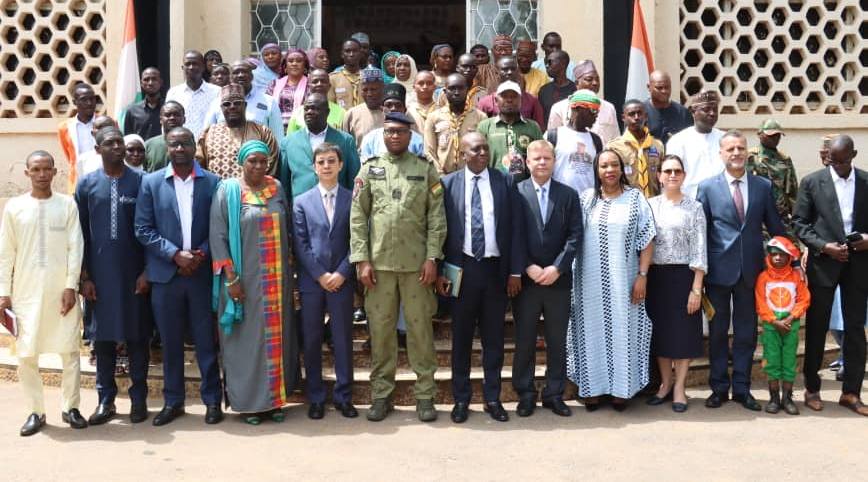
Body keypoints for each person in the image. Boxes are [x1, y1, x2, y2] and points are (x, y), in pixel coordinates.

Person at [349, 112, 446, 423]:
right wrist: (362, 259)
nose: (394, 137)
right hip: (378, 266)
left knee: (420, 332)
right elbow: (358, 217)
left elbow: (437, 219)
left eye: (400, 132)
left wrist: (433, 257)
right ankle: (381, 395)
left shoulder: (425, 170)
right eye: (389, 132)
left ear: (410, 136)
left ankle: (425, 397)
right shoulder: (369, 169)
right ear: (382, 135)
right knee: (380, 333)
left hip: (417, 266)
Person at [134, 127, 223, 426]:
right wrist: (174, 254)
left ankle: (213, 401)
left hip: (200, 274)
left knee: (205, 342)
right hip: (166, 275)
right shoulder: (151, 182)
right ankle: (173, 402)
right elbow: (143, 228)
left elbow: (218, 228)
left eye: (185, 143)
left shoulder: (213, 182)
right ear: (167, 148)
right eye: (174, 144)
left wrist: (200, 254)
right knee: (170, 344)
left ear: (195, 146)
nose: (180, 149)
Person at [696, 130, 787, 412]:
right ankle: (719, 388)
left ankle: (743, 389)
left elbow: (775, 227)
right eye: (730, 149)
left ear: (747, 151)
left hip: (751, 273)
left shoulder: (762, 186)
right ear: (721, 154)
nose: (736, 153)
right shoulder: (707, 187)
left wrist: (792, 256)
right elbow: (702, 231)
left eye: (740, 148)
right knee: (719, 332)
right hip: (718, 274)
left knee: (747, 333)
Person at [209, 140, 298, 425]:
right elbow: (218, 236)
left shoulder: (277, 188)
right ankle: (249, 404)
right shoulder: (229, 191)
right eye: (253, 161)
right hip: (243, 282)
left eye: (263, 161)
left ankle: (273, 401)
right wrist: (231, 279)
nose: (259, 166)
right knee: (245, 344)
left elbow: (288, 231)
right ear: (242, 162)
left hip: (276, 281)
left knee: (275, 343)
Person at [437, 133, 522, 423]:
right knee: (460, 340)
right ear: (462, 154)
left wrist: (514, 271)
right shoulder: (448, 184)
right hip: (461, 272)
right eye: (476, 149)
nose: (483, 153)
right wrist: (439, 271)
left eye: (485, 148)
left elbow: (514, 229)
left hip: (494, 272)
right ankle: (461, 400)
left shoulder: (505, 182)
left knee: (494, 341)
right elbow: (440, 231)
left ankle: (492, 398)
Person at [0, 150, 86, 436]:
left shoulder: (67, 205)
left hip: (61, 292)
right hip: (25, 293)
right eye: (35, 169)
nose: (41, 174)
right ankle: (35, 411)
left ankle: (71, 407)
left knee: (70, 350)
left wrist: (70, 286)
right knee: (26, 355)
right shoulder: (14, 207)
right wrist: (3, 293)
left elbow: (76, 247)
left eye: (46, 169)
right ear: (27, 173)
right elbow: (5, 254)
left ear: (54, 172)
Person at [568, 149, 656, 412]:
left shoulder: (635, 198)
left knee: (622, 330)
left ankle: (621, 390)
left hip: (625, 281)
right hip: (588, 283)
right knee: (590, 333)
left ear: (622, 169)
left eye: (614, 165)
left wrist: (642, 276)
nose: (609, 170)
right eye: (604, 165)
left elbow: (648, 238)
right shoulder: (586, 200)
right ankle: (591, 390)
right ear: (596, 170)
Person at [75, 126, 152, 425]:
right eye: (110, 143)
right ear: (98, 150)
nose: (118, 147)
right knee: (103, 340)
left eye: (120, 142)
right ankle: (106, 400)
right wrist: (84, 277)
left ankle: (138, 399)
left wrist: (147, 271)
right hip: (100, 276)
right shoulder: (86, 185)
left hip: (135, 275)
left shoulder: (142, 182)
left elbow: (150, 230)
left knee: (137, 338)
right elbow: (79, 234)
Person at [793, 134, 868, 416]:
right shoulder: (812, 182)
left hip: (859, 264)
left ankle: (851, 392)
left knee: (855, 328)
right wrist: (824, 246)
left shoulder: (865, 181)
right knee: (817, 326)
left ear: (854, 155)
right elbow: (799, 223)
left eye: (842, 161)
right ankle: (812, 388)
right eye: (832, 160)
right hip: (824, 263)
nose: (836, 165)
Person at [512, 140, 581, 417]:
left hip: (558, 282)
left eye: (547, 158)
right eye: (536, 158)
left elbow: (576, 236)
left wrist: (557, 267)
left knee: (557, 340)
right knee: (525, 339)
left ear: (554, 161)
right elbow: (511, 235)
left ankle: (554, 393)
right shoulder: (516, 193)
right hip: (527, 282)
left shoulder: (568, 195)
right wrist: (526, 266)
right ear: (527, 162)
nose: (542, 162)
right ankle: (526, 393)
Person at [292, 143, 358, 420]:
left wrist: (342, 272)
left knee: (342, 338)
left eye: (332, 161)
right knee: (312, 339)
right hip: (312, 281)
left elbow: (358, 240)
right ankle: (316, 397)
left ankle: (344, 396)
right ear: (314, 167)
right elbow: (300, 243)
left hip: (342, 279)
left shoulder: (352, 199)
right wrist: (320, 275)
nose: (327, 166)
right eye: (321, 162)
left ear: (341, 165)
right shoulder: (301, 201)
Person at [645, 154, 707, 413]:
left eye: (677, 171)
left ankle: (680, 387)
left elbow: (700, 248)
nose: (672, 175)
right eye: (667, 171)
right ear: (659, 176)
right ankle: (665, 384)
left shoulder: (694, 208)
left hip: (685, 277)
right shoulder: (649, 206)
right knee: (660, 334)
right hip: (656, 278)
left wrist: (697, 287)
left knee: (683, 335)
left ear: (684, 175)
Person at [755, 236, 810, 415]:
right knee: (772, 361)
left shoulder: (795, 277)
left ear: (789, 257)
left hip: (790, 326)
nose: (778, 258)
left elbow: (804, 299)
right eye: (774, 254)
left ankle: (787, 398)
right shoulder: (763, 278)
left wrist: (791, 317)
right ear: (768, 256)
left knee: (789, 361)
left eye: (782, 255)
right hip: (771, 327)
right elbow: (761, 302)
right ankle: (774, 398)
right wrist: (773, 320)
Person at [279, 93, 360, 198]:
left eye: (314, 108)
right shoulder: (288, 142)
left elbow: (353, 180)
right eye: (306, 109)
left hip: (337, 208)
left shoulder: (345, 141)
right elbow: (284, 183)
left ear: (327, 112)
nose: (309, 112)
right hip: (300, 210)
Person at [196, 83, 278, 179]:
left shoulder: (263, 132)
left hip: (255, 192)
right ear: (221, 108)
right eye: (227, 104)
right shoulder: (208, 134)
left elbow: (271, 164)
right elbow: (200, 167)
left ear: (245, 105)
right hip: (217, 191)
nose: (232, 107)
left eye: (237, 103)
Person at [203, 61, 284, 145]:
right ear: (230, 77)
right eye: (236, 72)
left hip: (259, 155)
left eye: (244, 72)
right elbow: (208, 134)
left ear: (252, 76)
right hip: (225, 154)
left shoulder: (269, 101)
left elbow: (278, 137)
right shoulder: (217, 102)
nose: (240, 75)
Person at [477, 81, 543, 181]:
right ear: (496, 100)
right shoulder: (485, 126)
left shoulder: (532, 127)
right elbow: (478, 158)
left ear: (521, 100)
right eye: (504, 96)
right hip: (493, 184)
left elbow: (540, 157)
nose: (509, 100)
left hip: (524, 186)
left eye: (514, 96)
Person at [665, 90, 725, 198]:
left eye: (715, 109)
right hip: (689, 202)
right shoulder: (678, 141)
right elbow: (671, 177)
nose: (712, 113)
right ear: (693, 112)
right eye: (706, 109)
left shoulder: (725, 139)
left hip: (721, 202)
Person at [424, 73, 488, 175]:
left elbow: (484, 150)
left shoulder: (480, 117)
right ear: (445, 91)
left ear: (467, 90)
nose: (457, 92)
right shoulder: (433, 117)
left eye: (461, 88)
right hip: (443, 175)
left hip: (472, 175)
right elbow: (429, 151)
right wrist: (440, 175)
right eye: (452, 88)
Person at [546, 61, 620, 144]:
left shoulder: (609, 107)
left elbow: (615, 140)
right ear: (577, 83)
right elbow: (552, 142)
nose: (595, 83)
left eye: (597, 79)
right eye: (589, 79)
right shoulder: (559, 108)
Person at [747, 119, 798, 236]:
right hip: (757, 216)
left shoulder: (784, 160)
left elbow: (793, 192)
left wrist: (796, 218)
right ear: (760, 135)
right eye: (771, 135)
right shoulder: (751, 158)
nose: (775, 138)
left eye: (778, 135)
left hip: (780, 215)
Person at [548, 89, 603, 194]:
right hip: (560, 202)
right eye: (593, 110)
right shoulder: (553, 136)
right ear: (577, 108)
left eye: (597, 111)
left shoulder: (596, 140)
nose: (596, 115)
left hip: (588, 203)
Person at [607, 99, 664, 198]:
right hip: (626, 204)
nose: (636, 117)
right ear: (623, 118)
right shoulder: (614, 147)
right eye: (631, 114)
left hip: (654, 203)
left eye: (639, 113)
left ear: (646, 116)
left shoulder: (657, 145)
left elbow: (663, 178)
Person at [165, 50, 220, 140]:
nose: (191, 67)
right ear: (183, 68)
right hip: (180, 147)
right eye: (188, 64)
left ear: (203, 67)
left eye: (195, 64)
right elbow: (166, 121)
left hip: (207, 145)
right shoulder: (173, 93)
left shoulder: (216, 92)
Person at [359, 83, 425, 160]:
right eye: (388, 105)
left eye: (398, 105)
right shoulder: (370, 139)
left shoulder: (417, 140)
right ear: (382, 109)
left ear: (405, 110)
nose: (393, 109)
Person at [477, 56, 544, 128]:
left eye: (513, 69)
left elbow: (539, 130)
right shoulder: (485, 102)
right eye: (505, 69)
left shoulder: (532, 101)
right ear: (496, 73)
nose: (509, 72)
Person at [58, 83, 97, 192]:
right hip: (77, 180)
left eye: (92, 99)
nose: (89, 103)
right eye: (84, 99)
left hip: (102, 177)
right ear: (74, 102)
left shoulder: (107, 123)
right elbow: (69, 155)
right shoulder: (64, 128)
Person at [286, 68, 346, 134]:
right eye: (315, 82)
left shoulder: (341, 113)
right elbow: (290, 140)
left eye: (323, 81)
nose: (319, 84)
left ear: (329, 86)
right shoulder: (298, 113)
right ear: (309, 86)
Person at [266, 48, 309, 132]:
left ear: (305, 66)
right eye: (291, 61)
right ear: (285, 66)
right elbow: (267, 106)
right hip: (276, 129)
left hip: (302, 130)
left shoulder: (311, 84)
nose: (294, 64)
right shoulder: (274, 84)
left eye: (299, 61)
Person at [644, 70, 693, 143]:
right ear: (649, 87)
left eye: (667, 87)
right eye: (659, 88)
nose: (664, 91)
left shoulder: (683, 113)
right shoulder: (639, 113)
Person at [342, 66, 385, 147]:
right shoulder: (351, 114)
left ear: (383, 88)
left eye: (373, 89)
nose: (369, 94)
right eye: (365, 90)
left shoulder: (392, 112)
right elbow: (345, 147)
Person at [123, 67, 164, 140]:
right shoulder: (132, 111)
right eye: (146, 79)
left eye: (154, 79)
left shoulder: (168, 109)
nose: (150, 83)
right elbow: (128, 139)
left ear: (160, 82)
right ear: (141, 83)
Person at [144, 101, 185, 173]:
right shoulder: (148, 145)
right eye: (168, 115)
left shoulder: (191, 145)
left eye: (176, 115)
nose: (172, 118)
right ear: (160, 120)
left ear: (184, 119)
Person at [75, 115, 120, 181]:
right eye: (100, 128)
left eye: (108, 127)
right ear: (92, 133)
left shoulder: (123, 156)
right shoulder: (82, 160)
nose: (104, 131)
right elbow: (82, 186)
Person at [538, 50, 575, 126]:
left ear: (562, 64)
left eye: (550, 62)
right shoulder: (544, 91)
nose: (547, 66)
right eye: (546, 63)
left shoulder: (575, 90)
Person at [328, 38, 364, 110]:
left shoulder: (368, 77)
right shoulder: (332, 78)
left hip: (363, 120)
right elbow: (330, 106)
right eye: (348, 51)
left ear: (360, 54)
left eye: (355, 51)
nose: (351, 54)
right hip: (341, 120)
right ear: (342, 55)